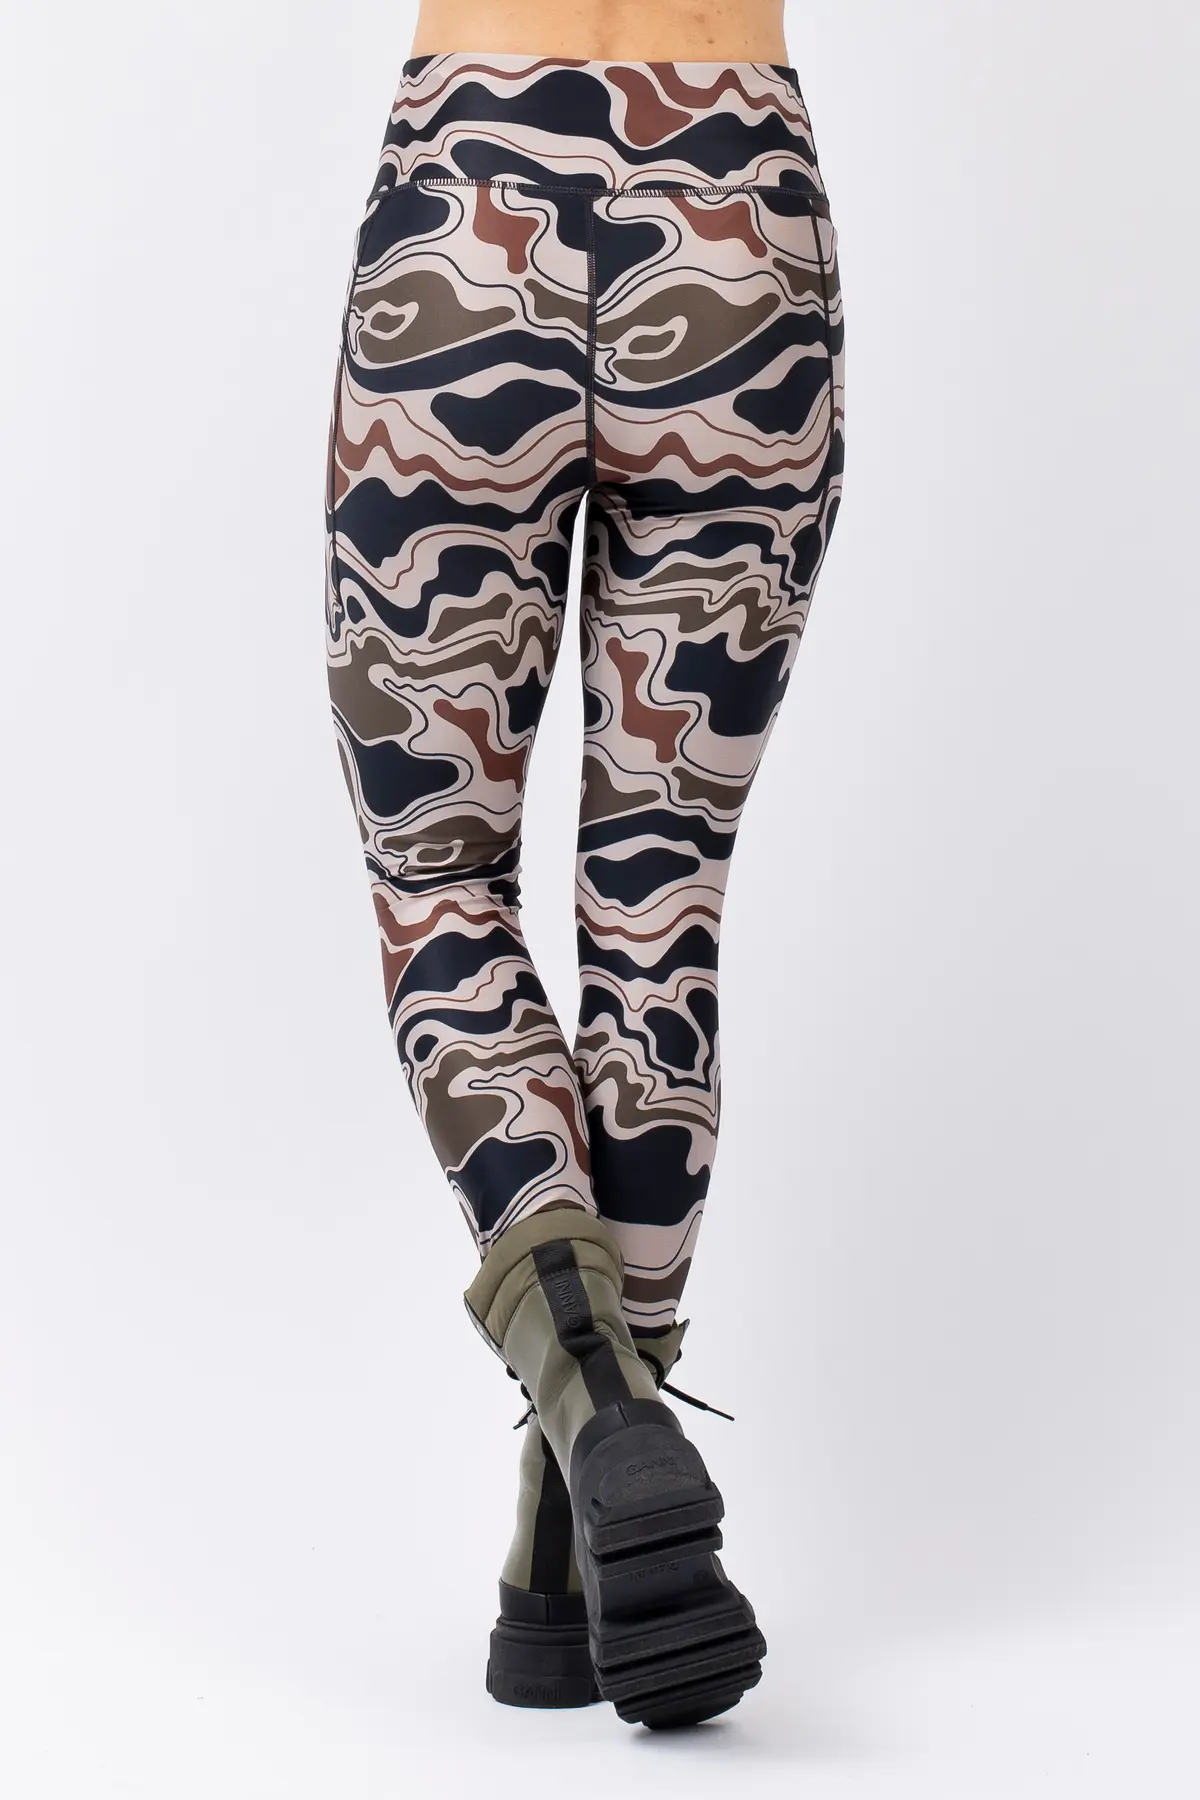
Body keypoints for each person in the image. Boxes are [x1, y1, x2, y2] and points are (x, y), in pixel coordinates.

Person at [323, 0, 845, 1730]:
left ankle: (591, 1406)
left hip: (466, 211)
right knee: (658, 894)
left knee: (437, 874)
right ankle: (568, 1530)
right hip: (743, 208)